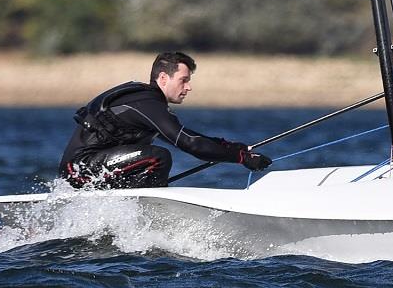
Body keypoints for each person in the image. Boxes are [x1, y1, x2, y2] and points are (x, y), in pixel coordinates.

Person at [59, 52, 272, 189]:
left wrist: (230, 147)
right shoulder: (147, 103)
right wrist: (240, 158)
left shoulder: (150, 106)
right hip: (79, 171)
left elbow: (186, 136)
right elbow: (189, 143)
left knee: (156, 155)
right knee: (158, 157)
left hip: (92, 170)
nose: (188, 87)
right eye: (183, 80)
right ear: (163, 78)